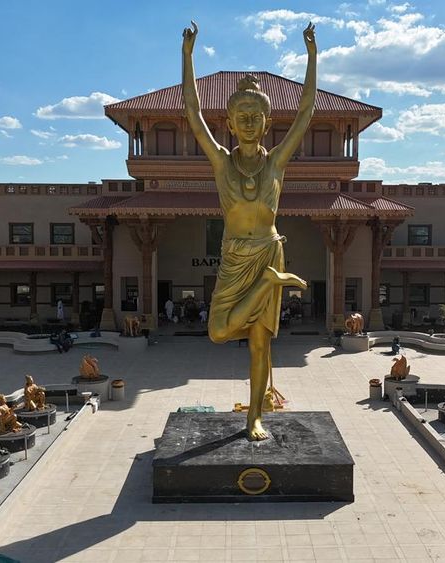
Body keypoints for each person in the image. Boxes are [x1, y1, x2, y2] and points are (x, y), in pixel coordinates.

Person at [183, 20, 315, 440]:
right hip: (235, 256)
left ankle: (254, 417)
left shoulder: (276, 162)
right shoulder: (222, 162)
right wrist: (187, 58)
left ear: (266, 121)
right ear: (231, 121)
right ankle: (268, 286)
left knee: (261, 345)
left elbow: (307, 111)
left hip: (267, 250)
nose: (249, 123)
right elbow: (191, 113)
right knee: (218, 331)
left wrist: (312, 57)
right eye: (242, 116)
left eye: (257, 117)